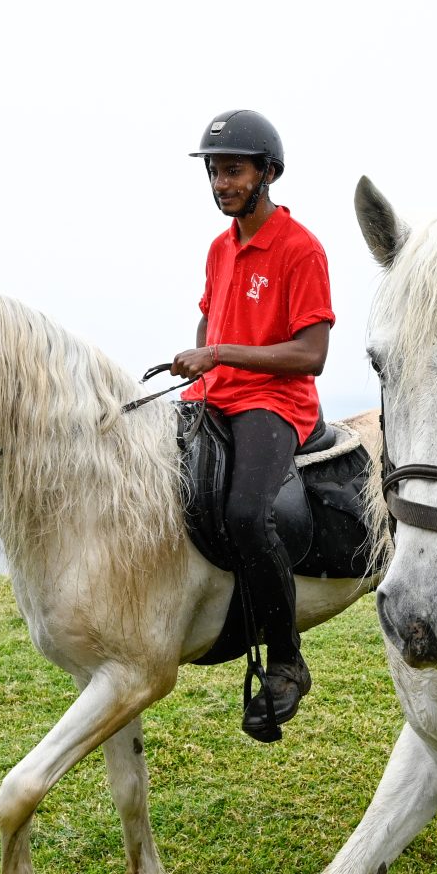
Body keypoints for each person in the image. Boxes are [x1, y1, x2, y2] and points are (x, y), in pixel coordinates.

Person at [170, 109, 335, 741]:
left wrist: (219, 355)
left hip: (275, 403)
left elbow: (311, 355)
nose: (220, 183)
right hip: (214, 395)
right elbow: (210, 324)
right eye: (214, 172)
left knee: (246, 513)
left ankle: (287, 662)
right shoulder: (220, 248)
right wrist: (199, 363)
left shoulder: (301, 248)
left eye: (232, 171)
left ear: (268, 171)